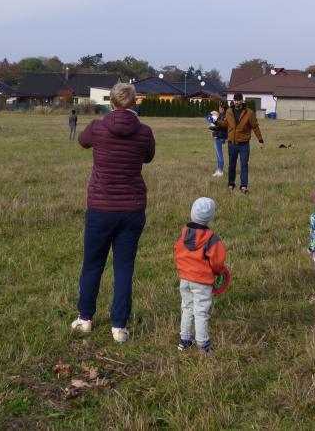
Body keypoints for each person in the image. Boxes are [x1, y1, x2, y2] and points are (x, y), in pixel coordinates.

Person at [71, 83, 156, 343]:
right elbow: (148, 157)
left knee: (92, 264)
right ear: (134, 103)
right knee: (124, 268)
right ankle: (119, 327)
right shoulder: (144, 132)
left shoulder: (97, 127)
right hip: (132, 209)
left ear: (112, 103)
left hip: (100, 207)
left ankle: (85, 318)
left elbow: (82, 141)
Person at [174, 196, 227, 354]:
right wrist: (219, 273)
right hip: (202, 282)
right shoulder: (213, 240)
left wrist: (183, 271)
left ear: (192, 213)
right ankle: (203, 344)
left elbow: (177, 254)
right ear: (211, 218)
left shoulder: (182, 236)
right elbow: (218, 262)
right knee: (201, 312)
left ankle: (184, 340)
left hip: (185, 279)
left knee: (187, 308)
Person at [215, 93, 264, 194]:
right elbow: (226, 123)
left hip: (244, 144)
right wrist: (217, 123)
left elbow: (255, 127)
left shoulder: (249, 113)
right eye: (235, 100)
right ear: (233, 101)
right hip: (232, 143)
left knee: (244, 164)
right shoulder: (229, 111)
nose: (236, 102)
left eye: (238, 100)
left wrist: (260, 140)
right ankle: (231, 184)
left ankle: (244, 186)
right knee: (232, 165)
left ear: (242, 101)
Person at [207, 101, 227, 177]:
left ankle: (220, 171)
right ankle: (218, 170)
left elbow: (220, 127)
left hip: (219, 137)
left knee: (220, 155)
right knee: (217, 155)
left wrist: (211, 127)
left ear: (223, 108)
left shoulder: (224, 117)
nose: (219, 109)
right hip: (217, 136)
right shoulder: (221, 116)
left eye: (220, 108)